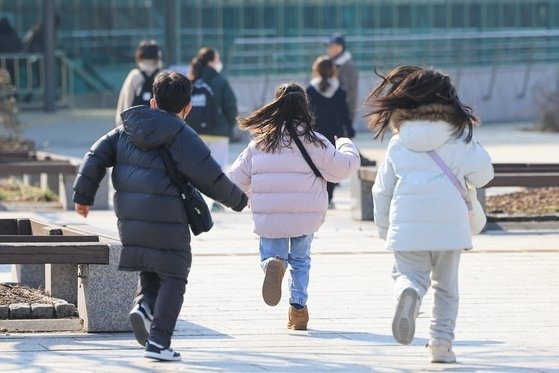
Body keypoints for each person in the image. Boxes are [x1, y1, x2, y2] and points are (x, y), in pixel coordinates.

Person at [73, 71, 248, 362]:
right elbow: (210, 176)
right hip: (167, 217)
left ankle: (143, 306)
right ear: (188, 108)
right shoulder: (183, 135)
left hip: (130, 218)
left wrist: (82, 197)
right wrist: (239, 200)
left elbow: (95, 156)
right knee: (175, 274)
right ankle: (158, 341)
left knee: (150, 266)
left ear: (153, 102)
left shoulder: (125, 128)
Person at [364, 66, 494, 363]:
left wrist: (385, 228)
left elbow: (382, 190)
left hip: (407, 225)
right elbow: (484, 175)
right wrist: (472, 140)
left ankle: (408, 292)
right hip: (450, 226)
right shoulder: (459, 138)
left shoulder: (399, 142)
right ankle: (441, 345)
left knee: (408, 275)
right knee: (446, 288)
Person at [228, 82, 360, 330]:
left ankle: (272, 265)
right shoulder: (316, 142)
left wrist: (248, 198)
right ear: (305, 107)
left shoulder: (259, 144)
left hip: (271, 216)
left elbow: (234, 180)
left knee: (272, 254)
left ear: (275, 106)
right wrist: (345, 143)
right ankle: (298, 311)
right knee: (301, 260)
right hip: (305, 215)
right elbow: (345, 168)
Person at [187, 47, 238, 211]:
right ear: (211, 61)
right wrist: (229, 126)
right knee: (219, 168)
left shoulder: (193, 80)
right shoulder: (220, 81)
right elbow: (230, 106)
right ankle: (218, 202)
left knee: (196, 168)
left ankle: (194, 200)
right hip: (218, 133)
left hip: (195, 133)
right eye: (217, 59)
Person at [306, 55, 354, 209]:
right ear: (333, 71)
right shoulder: (339, 91)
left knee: (315, 166)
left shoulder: (310, 90)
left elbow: (306, 113)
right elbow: (344, 114)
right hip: (335, 133)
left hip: (316, 133)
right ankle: (329, 197)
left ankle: (317, 196)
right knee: (332, 166)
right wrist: (349, 129)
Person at [326, 33, 376, 166]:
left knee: (341, 138)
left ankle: (358, 160)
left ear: (339, 47)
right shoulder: (336, 65)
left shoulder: (347, 67)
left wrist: (335, 105)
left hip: (344, 109)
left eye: (331, 46)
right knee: (341, 138)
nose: (328, 49)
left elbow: (348, 90)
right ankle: (358, 160)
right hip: (338, 109)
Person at [115, 39, 163, 126]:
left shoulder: (134, 76)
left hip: (137, 129)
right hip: (160, 128)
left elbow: (125, 105)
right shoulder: (165, 76)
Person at [0, 17, 22, 85]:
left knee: (3, 80)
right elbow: (19, 45)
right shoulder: (14, 33)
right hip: (13, 61)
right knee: (13, 79)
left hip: (2, 61)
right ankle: (13, 93)